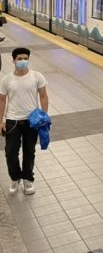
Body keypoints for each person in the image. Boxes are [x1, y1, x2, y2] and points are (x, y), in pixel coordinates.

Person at [0, 48, 48, 195]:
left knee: (29, 152)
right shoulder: (6, 79)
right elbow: (2, 101)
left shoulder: (37, 76)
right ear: (13, 60)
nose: (22, 61)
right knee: (10, 152)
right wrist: (1, 121)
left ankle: (28, 179)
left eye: (25, 58)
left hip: (31, 121)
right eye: (19, 58)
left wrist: (43, 116)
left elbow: (43, 96)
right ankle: (15, 178)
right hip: (12, 120)